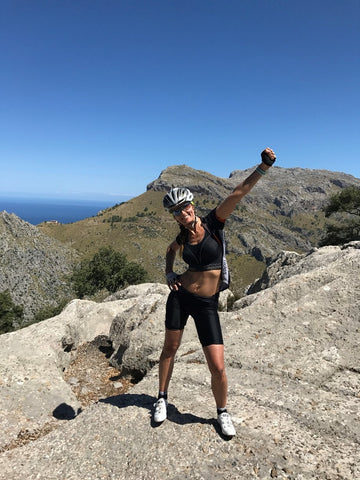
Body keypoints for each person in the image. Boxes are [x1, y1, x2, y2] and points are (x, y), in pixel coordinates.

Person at [153, 147, 277, 436]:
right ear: (174, 216)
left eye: (185, 208)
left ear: (192, 205)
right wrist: (169, 272)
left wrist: (263, 167)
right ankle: (161, 398)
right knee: (169, 349)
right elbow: (170, 251)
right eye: (176, 212)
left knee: (218, 366)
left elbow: (237, 193)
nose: (183, 214)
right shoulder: (181, 237)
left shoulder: (213, 223)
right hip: (180, 298)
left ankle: (222, 412)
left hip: (206, 303)